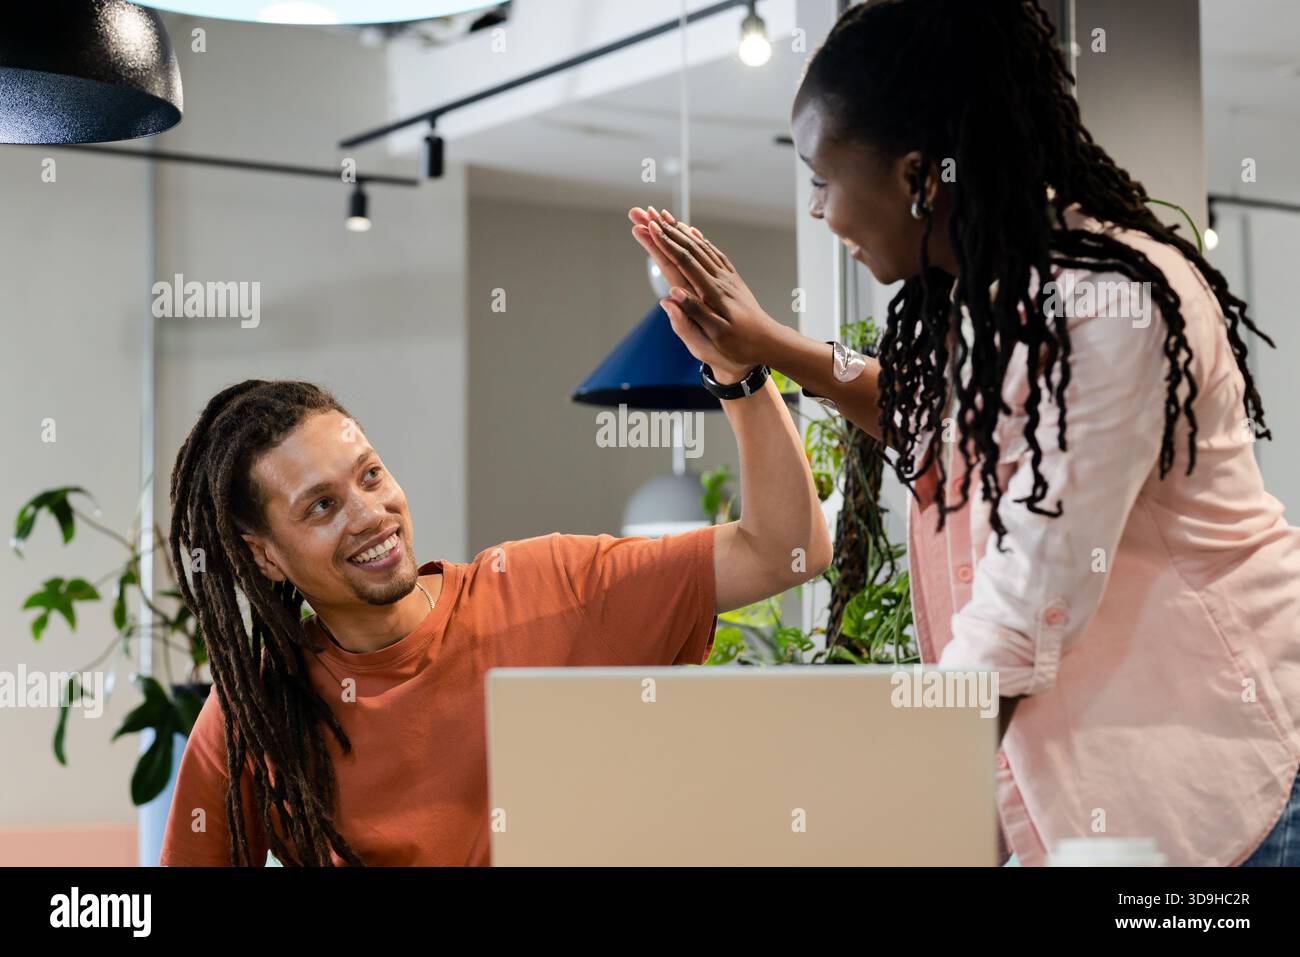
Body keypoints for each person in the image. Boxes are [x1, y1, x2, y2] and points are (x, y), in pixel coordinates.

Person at [630, 0, 1300, 866]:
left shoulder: (1109, 309)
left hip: (1222, 790)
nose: (818, 209)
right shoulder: (987, 296)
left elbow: (1031, 592)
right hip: (1087, 799)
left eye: (823, 179)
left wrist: (890, 809)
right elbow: (930, 430)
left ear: (919, 176)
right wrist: (761, 345)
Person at [160, 377, 829, 865]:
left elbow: (784, 549)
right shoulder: (255, 717)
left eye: (369, 476)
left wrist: (740, 376)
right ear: (265, 555)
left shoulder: (553, 586)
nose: (369, 515)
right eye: (321, 506)